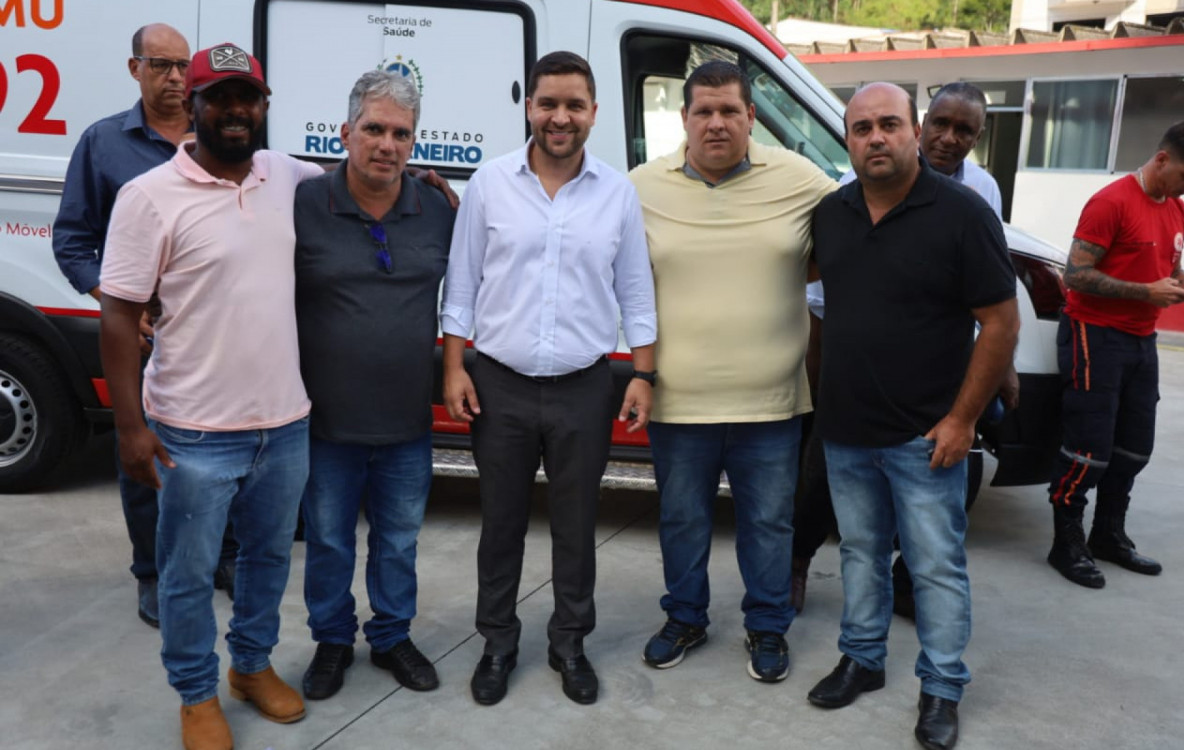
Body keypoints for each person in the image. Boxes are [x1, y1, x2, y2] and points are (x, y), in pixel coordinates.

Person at [100, 43, 324, 750]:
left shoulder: (286, 174)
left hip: (284, 423)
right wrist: (130, 428)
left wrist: (427, 182)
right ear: (189, 106)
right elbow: (117, 315)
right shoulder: (148, 198)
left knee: (266, 560)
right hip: (192, 433)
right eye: (219, 98)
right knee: (188, 573)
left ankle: (250, 669)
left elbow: (361, 184)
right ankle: (196, 694)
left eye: (247, 98)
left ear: (264, 106)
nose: (235, 111)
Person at [804, 83, 1018, 750]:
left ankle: (942, 687)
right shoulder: (831, 214)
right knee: (862, 553)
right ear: (848, 139)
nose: (876, 137)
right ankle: (863, 659)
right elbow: (816, 308)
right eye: (862, 127)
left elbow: (1001, 325)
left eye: (888, 124)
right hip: (846, 428)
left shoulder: (962, 214)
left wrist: (962, 421)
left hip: (926, 435)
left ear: (913, 130)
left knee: (934, 566)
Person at [441, 50, 657, 707]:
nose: (559, 117)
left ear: (593, 112)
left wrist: (643, 376)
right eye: (547, 103)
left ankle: (570, 642)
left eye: (573, 105)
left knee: (575, 522)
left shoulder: (617, 192)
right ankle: (498, 642)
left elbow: (637, 294)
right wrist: (454, 365)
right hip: (499, 383)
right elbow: (462, 283)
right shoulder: (490, 183)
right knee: (500, 523)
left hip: (584, 387)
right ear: (529, 107)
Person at [628, 60, 836, 683]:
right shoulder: (640, 186)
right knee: (682, 518)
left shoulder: (802, 179)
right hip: (678, 401)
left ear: (751, 117)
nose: (716, 123)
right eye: (703, 111)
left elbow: (856, 233)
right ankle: (685, 616)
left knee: (769, 523)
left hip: (770, 403)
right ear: (684, 119)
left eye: (729, 111)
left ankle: (768, 626)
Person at [52, 23, 238, 628]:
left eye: (184, 66)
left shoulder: (219, 136)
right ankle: (152, 574)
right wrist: (117, 307)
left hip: (212, 333)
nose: (177, 78)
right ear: (135, 69)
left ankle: (222, 558)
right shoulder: (104, 144)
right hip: (142, 337)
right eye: (161, 65)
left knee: (224, 450)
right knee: (144, 455)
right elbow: (74, 240)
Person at [294, 69, 454, 701]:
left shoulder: (437, 206)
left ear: (414, 144)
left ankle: (391, 636)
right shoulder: (304, 203)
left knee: (399, 540)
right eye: (374, 129)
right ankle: (332, 640)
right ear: (346, 132)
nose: (386, 144)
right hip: (324, 422)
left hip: (407, 422)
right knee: (329, 541)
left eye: (401, 134)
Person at [1045, 121, 1184, 589]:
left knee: (1134, 447)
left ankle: (1108, 535)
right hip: (1095, 333)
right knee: (1088, 448)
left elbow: (1167, 268)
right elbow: (1075, 275)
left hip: (1140, 338)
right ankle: (1065, 544)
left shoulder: (1176, 209)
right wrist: (1144, 291)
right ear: (1161, 160)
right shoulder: (1111, 202)